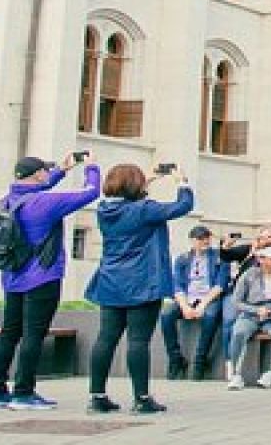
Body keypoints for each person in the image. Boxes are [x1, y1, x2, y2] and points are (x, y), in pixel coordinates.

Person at [0, 153, 100, 412]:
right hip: (42, 277)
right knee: (33, 335)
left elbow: (39, 188)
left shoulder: (8, 201)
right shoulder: (46, 203)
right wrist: (91, 166)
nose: (48, 174)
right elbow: (91, 192)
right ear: (37, 174)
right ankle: (24, 393)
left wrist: (62, 169)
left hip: (13, 277)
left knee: (9, 333)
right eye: (45, 171)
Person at [85, 163, 195, 415]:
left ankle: (97, 396)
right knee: (138, 341)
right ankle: (142, 398)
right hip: (142, 282)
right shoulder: (144, 210)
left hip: (111, 281)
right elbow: (183, 206)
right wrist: (182, 182)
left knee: (106, 338)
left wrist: (148, 179)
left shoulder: (104, 210)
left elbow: (128, 199)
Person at [225, 246, 271, 388]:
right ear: (261, 259)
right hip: (250, 315)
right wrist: (256, 310)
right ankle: (236, 375)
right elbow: (236, 301)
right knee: (239, 332)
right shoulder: (248, 274)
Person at [160, 225, 227, 381]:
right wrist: (184, 306)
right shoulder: (182, 259)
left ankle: (200, 360)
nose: (204, 241)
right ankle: (176, 359)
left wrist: (203, 304)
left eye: (207, 238)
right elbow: (177, 285)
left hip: (209, 297)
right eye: (200, 238)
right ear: (192, 240)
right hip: (187, 298)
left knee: (210, 316)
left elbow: (220, 284)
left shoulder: (219, 257)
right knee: (166, 315)